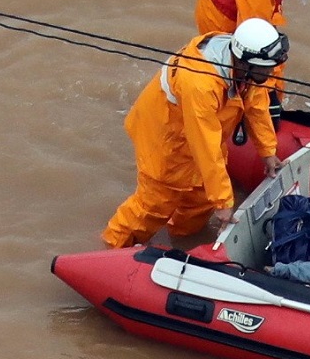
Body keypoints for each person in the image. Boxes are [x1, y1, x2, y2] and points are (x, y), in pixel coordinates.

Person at [101, 19, 288, 249]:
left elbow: (256, 104)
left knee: (199, 199)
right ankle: (112, 247)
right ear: (246, 63)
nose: (270, 73)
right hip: (166, 137)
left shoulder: (246, 68)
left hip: (197, 131)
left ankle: (181, 238)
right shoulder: (200, 83)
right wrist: (223, 202)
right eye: (265, 68)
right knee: (154, 204)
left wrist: (268, 151)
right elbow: (205, 143)